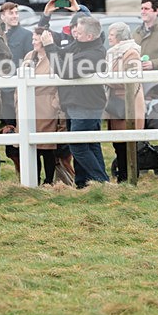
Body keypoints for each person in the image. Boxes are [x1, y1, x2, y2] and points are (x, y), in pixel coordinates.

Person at [42, 16, 109, 188]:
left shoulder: (95, 54)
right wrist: (47, 35)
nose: (74, 34)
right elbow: (61, 54)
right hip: (75, 103)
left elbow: (64, 71)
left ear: (90, 36)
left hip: (86, 105)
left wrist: (49, 47)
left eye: (78, 32)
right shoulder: (80, 45)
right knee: (90, 145)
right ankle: (84, 183)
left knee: (78, 146)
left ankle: (101, 181)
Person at [17, 28, 65, 184]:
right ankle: (34, 180)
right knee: (32, 148)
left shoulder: (53, 57)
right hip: (28, 106)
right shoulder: (29, 56)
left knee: (47, 147)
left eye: (36, 39)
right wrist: (19, 101)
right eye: (33, 39)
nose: (33, 42)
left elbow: (59, 84)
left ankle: (49, 181)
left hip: (46, 106)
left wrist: (54, 104)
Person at [105, 22, 145, 183]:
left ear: (120, 36)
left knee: (127, 144)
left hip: (128, 103)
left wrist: (107, 81)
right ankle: (123, 176)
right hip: (116, 103)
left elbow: (130, 80)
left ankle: (128, 176)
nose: (109, 37)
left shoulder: (131, 53)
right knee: (118, 144)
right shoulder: (113, 53)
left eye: (112, 35)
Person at [0, 2, 33, 172]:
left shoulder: (26, 35)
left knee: (21, 134)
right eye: (10, 13)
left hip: (19, 93)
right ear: (2, 16)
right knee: (9, 136)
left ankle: (26, 174)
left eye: (16, 13)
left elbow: (30, 62)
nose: (14, 16)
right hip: (2, 94)